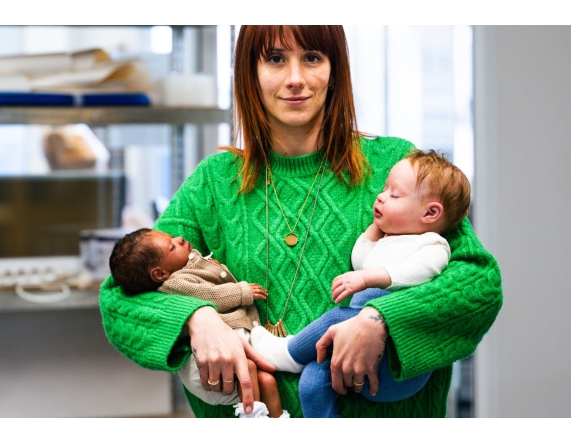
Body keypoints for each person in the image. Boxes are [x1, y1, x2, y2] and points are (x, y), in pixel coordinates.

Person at [99, 25, 503, 418]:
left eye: (312, 57)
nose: (295, 79)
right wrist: (196, 319)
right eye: (275, 59)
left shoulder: (395, 168)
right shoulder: (214, 182)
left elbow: (478, 283)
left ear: (335, 71)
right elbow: (120, 295)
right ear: (249, 73)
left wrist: (381, 321)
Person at [250, 148, 470, 417]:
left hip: (398, 364)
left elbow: (419, 272)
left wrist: (367, 279)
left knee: (338, 318)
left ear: (431, 212)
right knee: (312, 382)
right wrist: (375, 230)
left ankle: (288, 353)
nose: (381, 196)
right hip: (352, 354)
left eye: (394, 194)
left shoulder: (432, 244)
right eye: (384, 189)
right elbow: (361, 259)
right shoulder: (389, 239)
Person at [108, 228, 288, 418]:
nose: (179, 238)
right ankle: (251, 416)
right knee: (249, 368)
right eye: (172, 246)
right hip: (208, 371)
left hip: (231, 358)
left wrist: (212, 266)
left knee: (267, 381)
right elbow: (211, 295)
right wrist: (242, 293)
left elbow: (208, 275)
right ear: (159, 274)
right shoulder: (175, 283)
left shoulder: (187, 265)